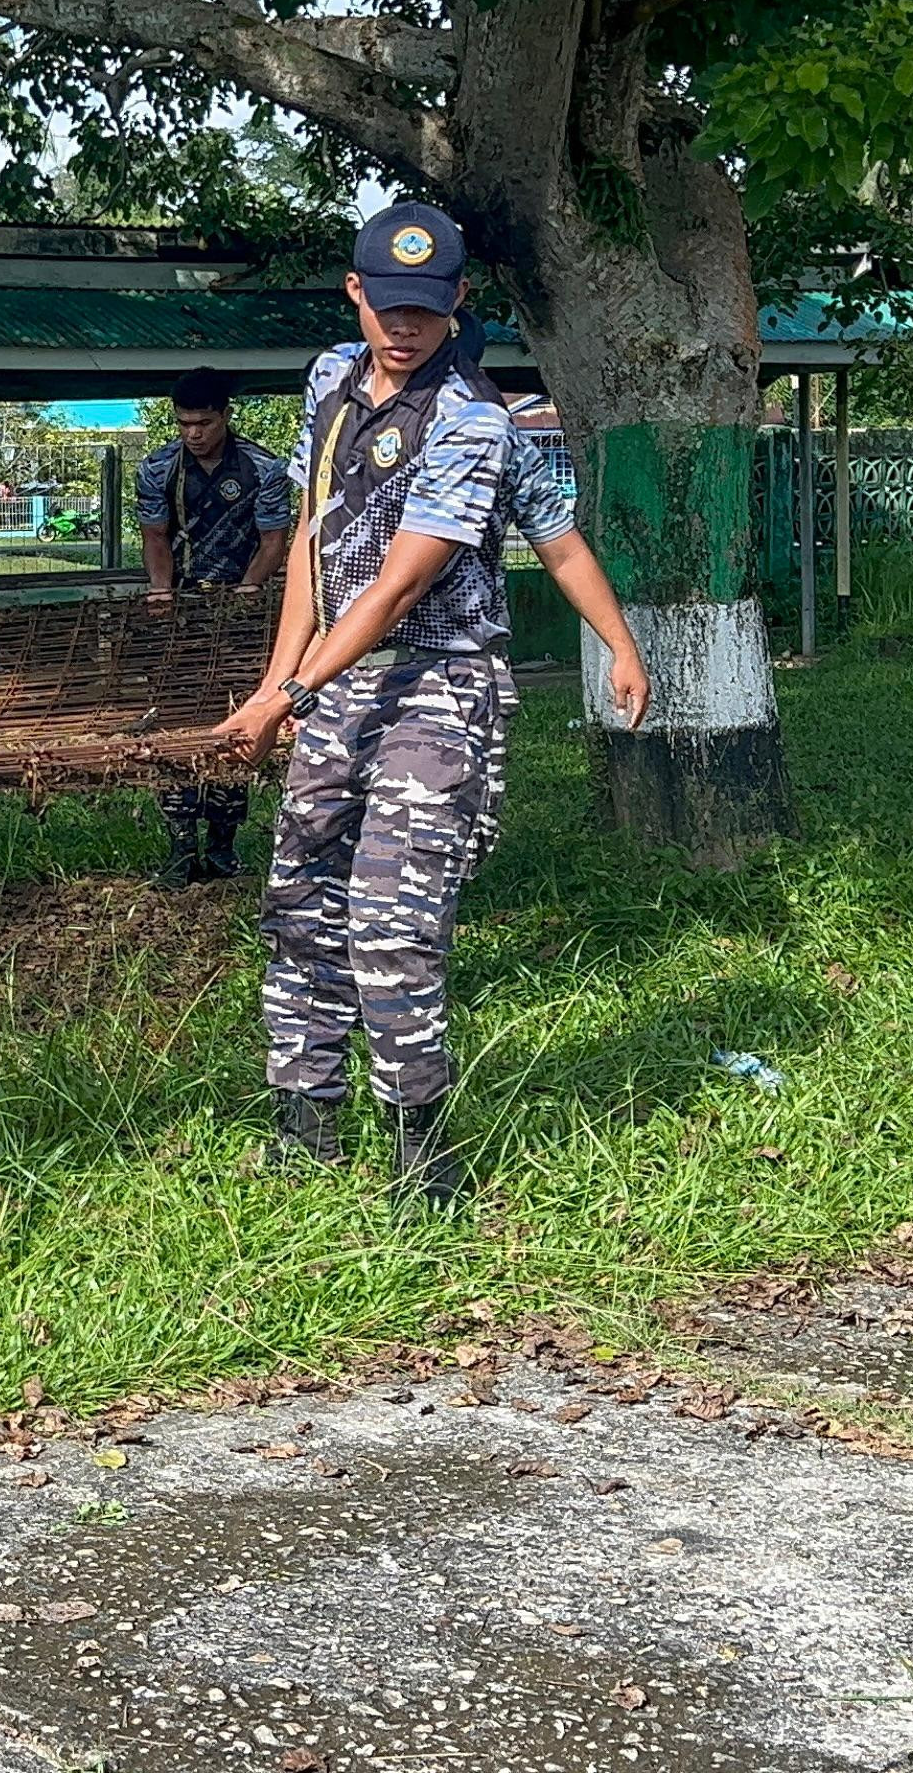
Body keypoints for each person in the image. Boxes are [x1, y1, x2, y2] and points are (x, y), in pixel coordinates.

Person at [215, 205, 651, 1203]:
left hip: (435, 689)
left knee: (390, 917)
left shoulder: (471, 422)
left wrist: (288, 693)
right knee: (299, 905)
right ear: (355, 291)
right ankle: (304, 1124)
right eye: (388, 304)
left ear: (457, 302)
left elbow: (399, 588)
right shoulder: (329, 379)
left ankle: (421, 1148)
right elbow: (317, 551)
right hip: (332, 678)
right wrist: (280, 687)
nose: (404, 328)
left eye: (427, 309)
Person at [135, 365, 296, 887]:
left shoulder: (264, 469)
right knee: (176, 719)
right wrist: (162, 590)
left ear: (225, 417)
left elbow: (273, 541)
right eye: (184, 423)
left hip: (242, 608)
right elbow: (155, 535)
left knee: (237, 716)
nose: (194, 433)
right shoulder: (157, 469)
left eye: (203, 422)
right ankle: (180, 844)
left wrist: (250, 588)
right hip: (180, 612)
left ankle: (224, 845)